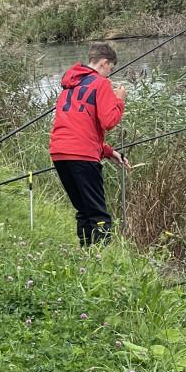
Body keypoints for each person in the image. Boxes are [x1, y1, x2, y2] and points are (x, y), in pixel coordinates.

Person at [48, 41, 130, 247]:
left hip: (60, 153)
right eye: (110, 68)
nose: (109, 74)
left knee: (83, 209)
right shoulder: (101, 84)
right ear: (103, 63)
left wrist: (109, 152)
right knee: (98, 212)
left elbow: (80, 127)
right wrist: (119, 100)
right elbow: (108, 122)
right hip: (82, 155)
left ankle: (86, 253)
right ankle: (102, 257)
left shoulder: (70, 85)